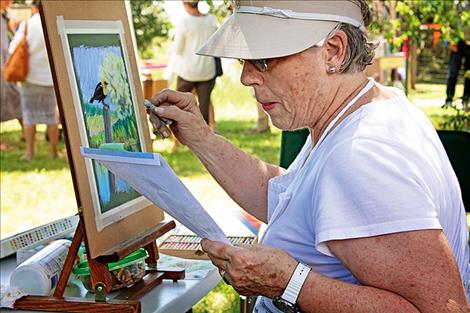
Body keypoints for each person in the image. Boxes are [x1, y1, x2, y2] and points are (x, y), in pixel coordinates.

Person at [149, 1, 469, 312]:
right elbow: (288, 198)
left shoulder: (361, 155)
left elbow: (443, 309)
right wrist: (202, 138)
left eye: (263, 59)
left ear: (333, 50)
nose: (246, 77)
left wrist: (288, 283)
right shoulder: (356, 110)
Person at [9, 0, 59, 161]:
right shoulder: (54, 22)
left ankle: (30, 153)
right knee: (51, 117)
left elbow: (13, 48)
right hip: (51, 78)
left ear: (34, 7)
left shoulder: (28, 24)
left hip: (30, 77)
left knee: (29, 116)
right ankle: (54, 153)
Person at [171, 0, 218, 126]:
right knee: (205, 105)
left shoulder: (184, 23)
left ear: (185, 5)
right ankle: (208, 133)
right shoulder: (211, 20)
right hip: (207, 71)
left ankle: (178, 135)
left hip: (188, 72)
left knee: (179, 103)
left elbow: (178, 49)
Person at [1, 0, 23, 150]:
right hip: (2, 69)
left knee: (17, 98)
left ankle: (27, 133)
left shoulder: (3, 17)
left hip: (4, 68)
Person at [444, 39, 469, 109]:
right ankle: (449, 99)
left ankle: (466, 100)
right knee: (452, 74)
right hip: (457, 45)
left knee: (468, 76)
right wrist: (448, 43)